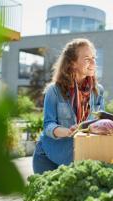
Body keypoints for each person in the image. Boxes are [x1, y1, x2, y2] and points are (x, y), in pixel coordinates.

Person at [33, 38, 105, 174]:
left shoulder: (98, 91)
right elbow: (48, 125)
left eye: (94, 58)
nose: (93, 62)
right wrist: (68, 132)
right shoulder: (54, 91)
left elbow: (101, 122)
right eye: (87, 59)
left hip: (79, 157)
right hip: (49, 156)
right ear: (72, 63)